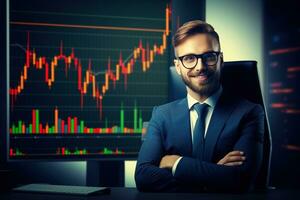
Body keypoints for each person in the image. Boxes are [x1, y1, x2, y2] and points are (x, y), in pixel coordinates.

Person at [135, 20, 264, 192]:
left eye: (209, 56)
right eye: (189, 58)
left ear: (220, 60)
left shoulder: (249, 113)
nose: (200, 67)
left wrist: (175, 163)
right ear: (178, 66)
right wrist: (214, 174)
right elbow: (143, 176)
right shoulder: (161, 115)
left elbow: (240, 179)